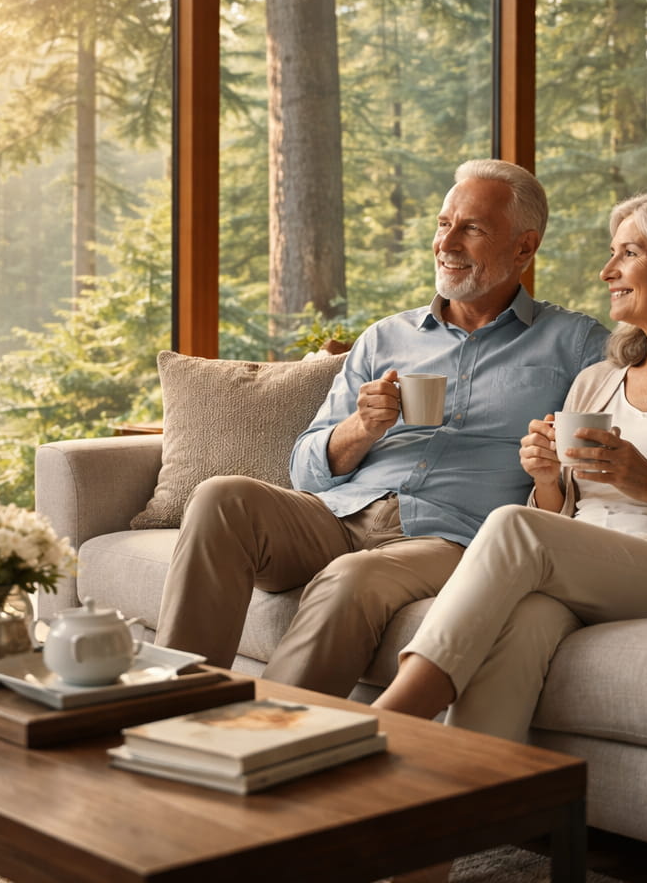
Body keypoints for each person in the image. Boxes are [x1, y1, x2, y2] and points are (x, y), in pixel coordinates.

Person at [372, 190, 647, 742]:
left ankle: (390, 719)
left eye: (628, 254)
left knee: (513, 525)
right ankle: (469, 808)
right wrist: (546, 482)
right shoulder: (599, 379)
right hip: (597, 563)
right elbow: (564, 517)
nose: (607, 270)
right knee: (526, 621)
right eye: (612, 254)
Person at [153, 159, 611, 697]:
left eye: (472, 228)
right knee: (221, 497)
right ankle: (170, 704)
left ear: (524, 248)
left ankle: (267, 737)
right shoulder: (385, 337)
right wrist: (361, 429)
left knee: (352, 578)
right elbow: (304, 472)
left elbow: (601, 461)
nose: (447, 242)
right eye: (444, 224)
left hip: (453, 536)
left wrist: (550, 474)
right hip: (340, 514)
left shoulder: (577, 345)